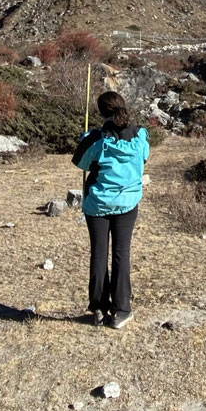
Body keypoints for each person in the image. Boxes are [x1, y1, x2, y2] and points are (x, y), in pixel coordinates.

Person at [71, 91, 149, 329]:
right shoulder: (140, 135)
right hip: (127, 203)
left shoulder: (96, 138)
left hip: (98, 205)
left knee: (98, 254)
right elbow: (144, 158)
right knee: (121, 254)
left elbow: (80, 163)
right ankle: (122, 310)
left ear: (101, 112)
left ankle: (98, 310)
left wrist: (85, 139)